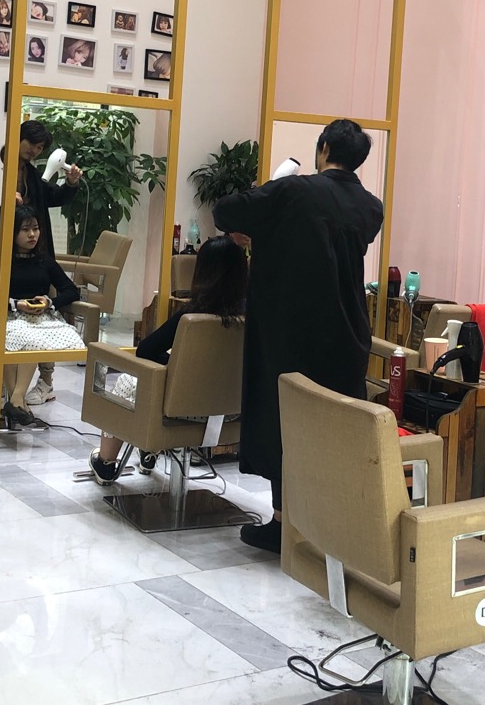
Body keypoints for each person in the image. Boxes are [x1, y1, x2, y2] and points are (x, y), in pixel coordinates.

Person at [213, 119, 383, 552]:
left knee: (283, 422)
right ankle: (326, 524)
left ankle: (284, 524)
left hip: (292, 329)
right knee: (333, 427)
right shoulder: (371, 207)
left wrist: (256, 226)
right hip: (347, 331)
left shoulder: (294, 190)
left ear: (323, 148)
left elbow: (226, 210)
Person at [87, 236, 247, 483]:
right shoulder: (252, 317)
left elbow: (146, 351)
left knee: (128, 381)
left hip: (180, 410)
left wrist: (176, 363)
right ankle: (149, 451)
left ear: (203, 272)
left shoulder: (192, 315)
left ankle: (106, 462)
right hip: (232, 414)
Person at [0, 205, 84, 428]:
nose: (32, 235)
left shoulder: (42, 259)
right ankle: (18, 403)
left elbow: (71, 290)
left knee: (32, 336)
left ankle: (16, 400)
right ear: (10, 230)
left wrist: (49, 302)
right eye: (25, 230)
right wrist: (16, 303)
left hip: (32, 319)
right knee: (14, 335)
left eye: (35, 229)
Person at [0, 120, 83, 404]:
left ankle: (45, 381)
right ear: (18, 137)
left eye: (39, 148)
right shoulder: (5, 166)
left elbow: (52, 198)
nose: (34, 151)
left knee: (42, 315)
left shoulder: (32, 174)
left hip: (36, 253)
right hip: (8, 248)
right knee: (11, 316)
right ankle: (7, 384)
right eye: (32, 145)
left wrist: (71, 183)